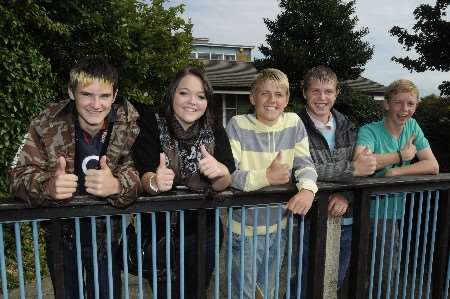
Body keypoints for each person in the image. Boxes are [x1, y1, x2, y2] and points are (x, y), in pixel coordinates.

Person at [9, 56, 141, 298]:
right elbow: (16, 174)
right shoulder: (45, 123)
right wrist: (47, 187)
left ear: (114, 95)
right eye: (86, 94)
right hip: (60, 236)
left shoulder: (130, 124)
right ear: (71, 92)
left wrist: (117, 185)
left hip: (107, 237)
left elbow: (141, 175)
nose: (96, 104)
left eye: (103, 96)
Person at [133, 67, 235, 298]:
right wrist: (156, 182)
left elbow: (224, 181)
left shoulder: (214, 127)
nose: (192, 102)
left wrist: (219, 172)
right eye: (184, 93)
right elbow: (144, 178)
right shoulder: (150, 123)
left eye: (201, 96)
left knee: (197, 293)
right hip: (158, 235)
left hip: (205, 232)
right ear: (172, 95)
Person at [226, 68, 318, 298]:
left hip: (280, 226)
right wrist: (266, 177)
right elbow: (229, 176)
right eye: (264, 93)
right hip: (244, 229)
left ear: (287, 99)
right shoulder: (237, 125)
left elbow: (305, 163)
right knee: (244, 293)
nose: (271, 100)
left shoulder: (294, 122)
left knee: (269, 291)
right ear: (252, 97)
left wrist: (307, 189)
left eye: (278, 94)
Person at [291, 65, 376, 297]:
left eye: (328, 91)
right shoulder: (292, 125)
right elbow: (302, 169)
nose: (322, 98)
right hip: (307, 221)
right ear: (305, 92)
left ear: (336, 93)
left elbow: (365, 169)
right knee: (303, 280)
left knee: (333, 281)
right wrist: (352, 168)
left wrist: (346, 195)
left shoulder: (348, 125)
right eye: (316, 91)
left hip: (346, 220)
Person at [354, 79, 439, 297]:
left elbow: (432, 165)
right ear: (387, 104)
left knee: (383, 273)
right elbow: (361, 162)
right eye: (399, 103)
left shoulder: (412, 127)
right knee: (375, 273)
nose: (405, 110)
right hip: (369, 212)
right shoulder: (369, 131)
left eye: (410, 104)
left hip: (395, 212)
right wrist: (401, 156)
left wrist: (395, 172)